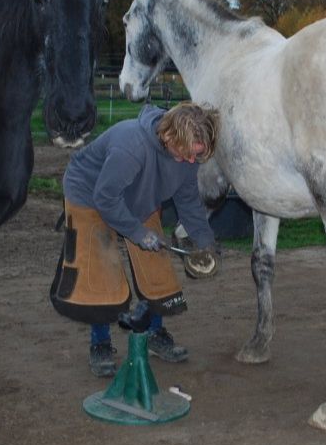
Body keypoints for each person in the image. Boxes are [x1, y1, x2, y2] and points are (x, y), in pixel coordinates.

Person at [49, 102, 220, 377]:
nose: (192, 161)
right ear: (169, 137)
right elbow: (106, 199)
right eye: (188, 154)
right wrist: (138, 233)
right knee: (101, 270)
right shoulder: (131, 146)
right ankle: (100, 344)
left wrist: (204, 242)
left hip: (138, 196)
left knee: (157, 268)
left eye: (197, 156)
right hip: (91, 194)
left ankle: (155, 334)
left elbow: (188, 200)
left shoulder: (187, 156)